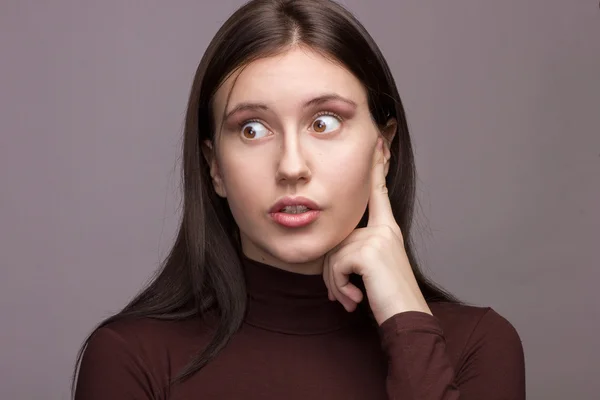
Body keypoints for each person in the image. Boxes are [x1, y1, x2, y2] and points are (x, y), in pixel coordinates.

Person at [72, 0, 526, 398]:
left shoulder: (477, 347)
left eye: (324, 122)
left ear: (382, 149)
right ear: (214, 166)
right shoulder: (131, 358)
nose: (291, 166)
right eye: (252, 129)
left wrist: (407, 324)